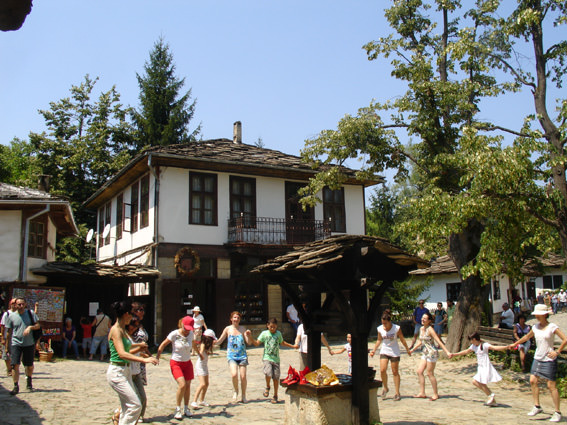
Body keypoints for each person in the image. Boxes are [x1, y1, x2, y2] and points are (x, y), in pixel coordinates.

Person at [510, 304, 567, 422]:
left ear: (544, 315)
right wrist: (515, 344)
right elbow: (526, 337)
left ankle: (557, 412)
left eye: (538, 314)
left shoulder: (552, 327)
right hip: (538, 357)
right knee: (532, 381)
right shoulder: (535, 327)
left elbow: (565, 339)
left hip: (548, 359)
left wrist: (557, 352)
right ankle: (537, 406)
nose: (536, 316)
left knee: (551, 386)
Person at [107, 300, 157, 425]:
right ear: (126, 314)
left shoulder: (122, 330)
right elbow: (122, 353)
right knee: (135, 405)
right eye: (131, 313)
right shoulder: (116, 330)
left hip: (125, 370)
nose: (132, 317)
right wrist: (144, 360)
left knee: (127, 407)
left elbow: (127, 347)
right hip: (117, 371)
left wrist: (138, 347)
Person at [449, 332, 509, 406]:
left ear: (474, 339)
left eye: (471, 340)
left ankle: (490, 395)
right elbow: (466, 351)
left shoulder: (484, 345)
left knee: (477, 382)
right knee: (476, 382)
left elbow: (494, 348)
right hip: (480, 367)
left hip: (486, 366)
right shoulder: (474, 346)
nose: (471, 342)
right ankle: (492, 399)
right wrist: (455, 354)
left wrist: (506, 347)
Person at [248, 317, 297, 403]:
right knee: (268, 373)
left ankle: (275, 395)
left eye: (274, 327)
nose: (272, 329)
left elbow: (282, 343)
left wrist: (292, 346)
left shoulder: (278, 334)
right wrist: (250, 337)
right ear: (267, 325)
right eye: (271, 327)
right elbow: (256, 343)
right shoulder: (264, 334)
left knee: (276, 378)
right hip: (267, 358)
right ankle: (267, 386)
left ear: (276, 326)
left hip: (276, 359)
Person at [157, 316, 197, 419]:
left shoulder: (191, 334)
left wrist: (200, 354)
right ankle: (178, 409)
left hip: (187, 363)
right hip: (176, 363)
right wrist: (157, 356)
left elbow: (193, 345)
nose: (187, 331)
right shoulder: (174, 334)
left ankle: (186, 408)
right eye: (186, 328)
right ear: (182, 324)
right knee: (182, 384)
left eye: (189, 329)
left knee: (188, 385)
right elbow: (163, 344)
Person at [408, 311, 451, 401]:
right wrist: (412, 350)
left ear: (429, 321)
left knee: (430, 373)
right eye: (422, 318)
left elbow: (438, 341)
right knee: (419, 371)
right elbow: (420, 341)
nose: (422, 319)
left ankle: (435, 394)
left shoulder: (430, 329)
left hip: (432, 353)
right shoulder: (421, 328)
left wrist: (447, 352)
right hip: (425, 352)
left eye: (425, 318)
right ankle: (422, 392)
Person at [370, 311, 411, 401]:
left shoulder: (396, 328)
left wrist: (407, 349)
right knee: (382, 370)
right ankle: (385, 387)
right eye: (383, 323)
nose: (384, 325)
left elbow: (402, 339)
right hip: (384, 350)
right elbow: (379, 340)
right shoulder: (380, 329)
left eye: (385, 323)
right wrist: (374, 350)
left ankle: (397, 392)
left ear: (389, 322)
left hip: (394, 351)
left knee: (395, 371)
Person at [214, 311, 253, 403]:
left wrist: (249, 336)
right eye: (234, 317)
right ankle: (236, 391)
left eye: (238, 318)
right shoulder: (228, 329)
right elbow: (220, 341)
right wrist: (212, 343)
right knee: (234, 374)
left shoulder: (243, 329)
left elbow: (249, 342)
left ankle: (243, 395)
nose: (236, 319)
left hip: (242, 356)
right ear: (231, 319)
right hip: (232, 356)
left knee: (243, 376)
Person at [5, 297, 41, 395]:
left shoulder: (30, 313)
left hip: (29, 343)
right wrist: (7, 346)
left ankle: (29, 380)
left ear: (25, 304)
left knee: (29, 365)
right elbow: (9, 332)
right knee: (15, 364)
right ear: (15, 305)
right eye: (19, 304)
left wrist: (30, 327)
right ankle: (15, 386)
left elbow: (38, 326)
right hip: (16, 343)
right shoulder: (11, 316)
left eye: (22, 304)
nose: (21, 306)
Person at [191, 328, 217, 409]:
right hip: (200, 366)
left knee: (206, 383)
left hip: (204, 365)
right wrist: (200, 354)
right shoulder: (203, 344)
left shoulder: (207, 346)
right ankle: (194, 401)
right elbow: (201, 351)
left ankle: (201, 400)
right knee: (202, 384)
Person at [131, 302, 149, 385]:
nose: (143, 312)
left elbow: (143, 343)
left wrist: (149, 355)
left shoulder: (140, 325)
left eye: (143, 310)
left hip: (141, 360)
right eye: (140, 310)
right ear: (134, 311)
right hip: (133, 358)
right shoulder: (131, 325)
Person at [1, 298, 17, 376]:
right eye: (13, 303)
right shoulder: (7, 314)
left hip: (16, 336)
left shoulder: (19, 314)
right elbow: (2, 326)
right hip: (7, 336)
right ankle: (9, 369)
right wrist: (2, 338)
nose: (14, 305)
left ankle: (13, 368)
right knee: (6, 353)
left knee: (15, 353)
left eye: (16, 303)